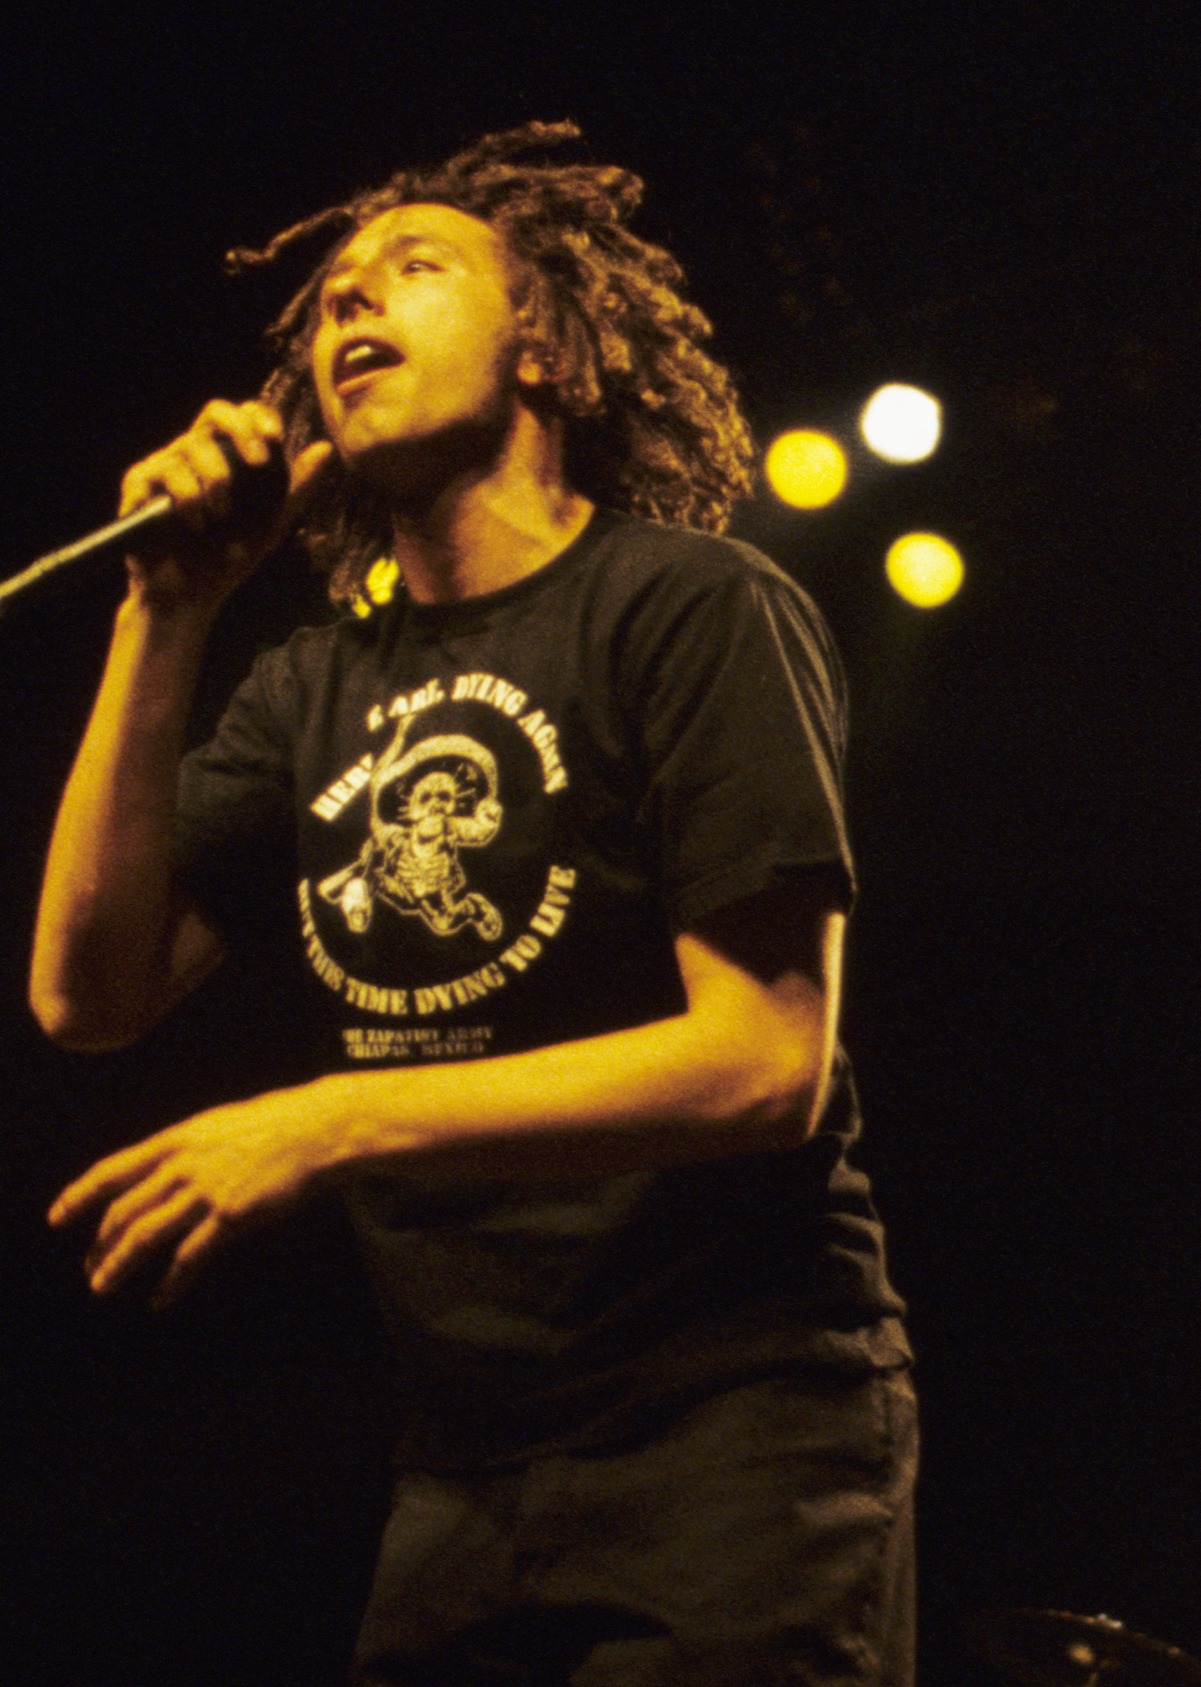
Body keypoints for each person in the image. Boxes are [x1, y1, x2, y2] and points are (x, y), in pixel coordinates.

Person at [35, 124, 914, 1684]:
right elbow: (87, 995)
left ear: (550, 347)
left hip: (735, 1426)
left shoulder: (690, 604)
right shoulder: (311, 684)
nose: (347, 308)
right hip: (465, 1455)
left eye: (412, 268)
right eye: (326, 302)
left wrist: (330, 1118)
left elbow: (767, 1061)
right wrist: (164, 615)